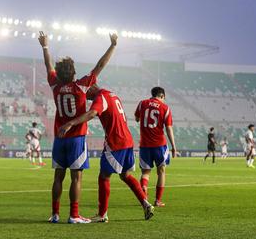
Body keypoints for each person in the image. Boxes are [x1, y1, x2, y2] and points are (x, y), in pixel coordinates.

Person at [38, 31, 118, 224]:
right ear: (73, 72)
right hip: (76, 138)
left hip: (59, 138)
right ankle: (74, 215)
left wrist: (45, 46)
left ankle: (55, 214)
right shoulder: (81, 86)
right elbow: (100, 65)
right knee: (76, 178)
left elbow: (48, 65)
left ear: (58, 73)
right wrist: (113, 45)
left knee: (58, 176)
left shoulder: (55, 85)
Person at [58, 84, 155, 222]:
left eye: (87, 94)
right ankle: (146, 204)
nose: (88, 98)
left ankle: (102, 214)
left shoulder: (100, 97)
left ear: (92, 88)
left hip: (116, 142)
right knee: (126, 175)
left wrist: (71, 123)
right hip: (127, 140)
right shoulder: (112, 94)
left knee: (103, 176)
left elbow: (92, 113)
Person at [135, 87, 177, 207]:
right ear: (162, 96)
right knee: (161, 171)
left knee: (145, 173)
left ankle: (144, 195)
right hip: (159, 145)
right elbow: (168, 128)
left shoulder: (142, 103)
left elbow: (137, 118)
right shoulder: (165, 108)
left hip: (144, 145)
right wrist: (174, 146)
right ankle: (158, 200)